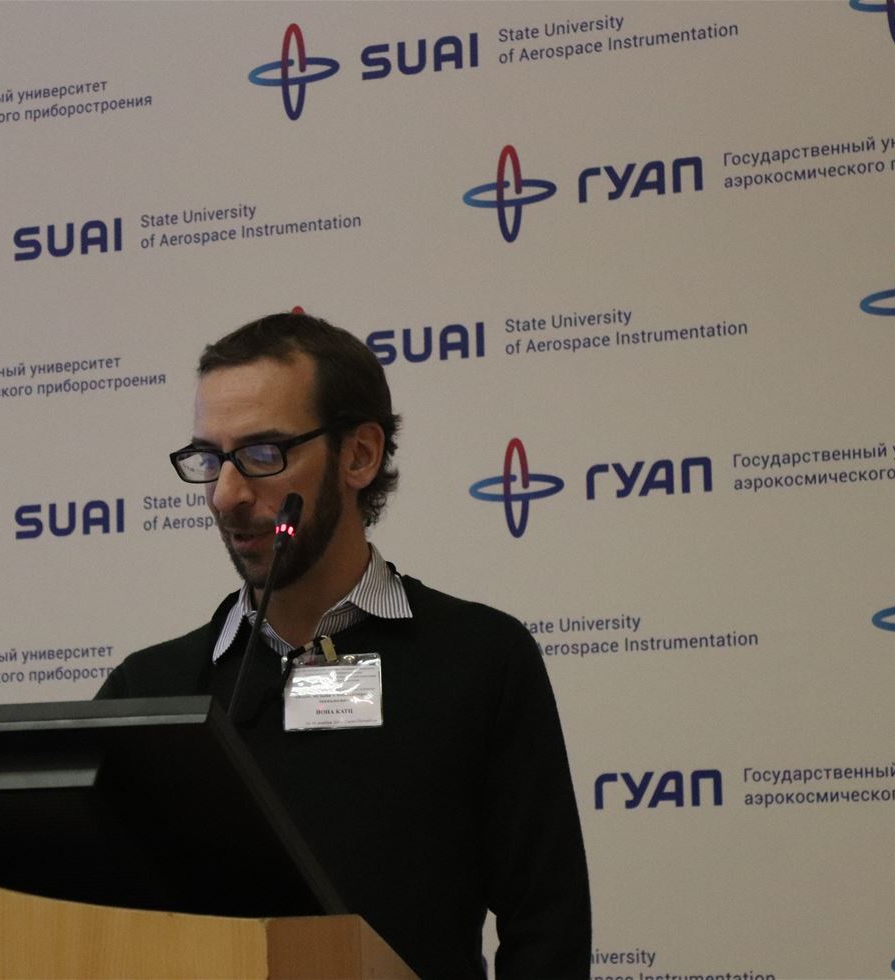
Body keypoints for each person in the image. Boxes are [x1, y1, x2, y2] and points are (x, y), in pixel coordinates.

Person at [96, 311, 589, 979]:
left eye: (263, 455)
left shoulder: (480, 660)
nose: (226, 494)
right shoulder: (151, 689)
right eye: (210, 459)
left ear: (359, 455)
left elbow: (547, 928)